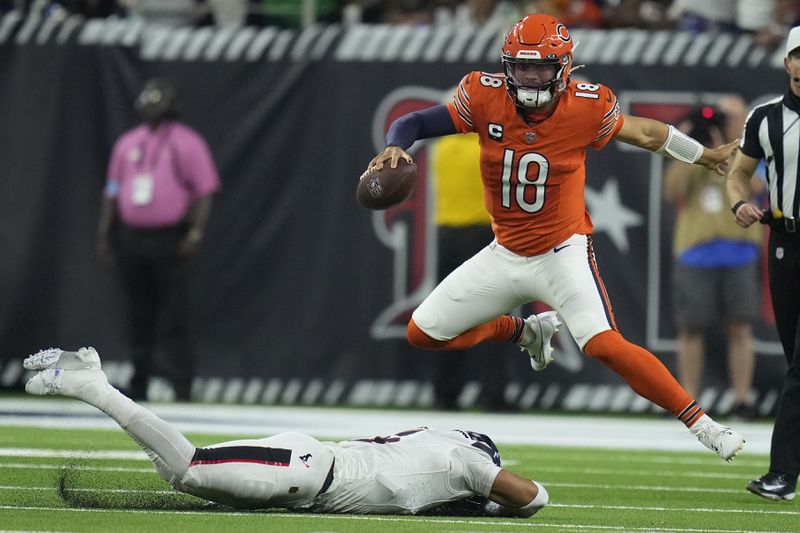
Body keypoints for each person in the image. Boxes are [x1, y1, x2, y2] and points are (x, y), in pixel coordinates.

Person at [367, 13, 744, 461]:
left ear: (564, 67)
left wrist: (702, 156)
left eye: (540, 67)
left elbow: (645, 131)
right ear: (507, 64)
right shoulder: (484, 95)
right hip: (503, 251)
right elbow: (417, 123)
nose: (528, 76)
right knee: (423, 332)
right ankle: (524, 332)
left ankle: (703, 424)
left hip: (561, 251)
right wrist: (394, 143)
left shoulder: (587, 105)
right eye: (521, 66)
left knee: (604, 343)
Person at [22, 347, 549, 517]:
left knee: (183, 472)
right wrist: (492, 497)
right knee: (188, 468)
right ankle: (93, 383)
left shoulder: (436, 442)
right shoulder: (465, 462)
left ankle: (94, 383)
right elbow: (532, 498)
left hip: (308, 466)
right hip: (307, 471)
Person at [95, 78, 221, 401]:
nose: (153, 108)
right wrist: (105, 233)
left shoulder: (186, 142)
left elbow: (205, 191)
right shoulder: (128, 143)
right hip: (132, 236)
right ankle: (139, 384)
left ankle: (182, 385)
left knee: (174, 312)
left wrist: (195, 232)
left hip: (169, 236)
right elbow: (112, 190)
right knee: (138, 312)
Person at [726, 26, 800, 501]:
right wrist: (738, 204)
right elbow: (739, 173)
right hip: (785, 243)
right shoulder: (766, 118)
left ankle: (783, 473)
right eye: (799, 55)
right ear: (788, 62)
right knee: (796, 360)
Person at [664, 101, 762, 420]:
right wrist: (696, 144)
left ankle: (742, 399)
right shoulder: (696, 151)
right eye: (725, 117)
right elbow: (673, 190)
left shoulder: (752, 148)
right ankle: (687, 400)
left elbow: (758, 186)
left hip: (740, 250)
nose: (727, 121)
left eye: (734, 117)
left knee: (741, 327)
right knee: (691, 329)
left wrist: (729, 147)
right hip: (696, 252)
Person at [430, 132, 511, 411]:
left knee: (448, 316)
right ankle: (493, 393)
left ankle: (445, 393)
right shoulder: (488, 149)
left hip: (447, 236)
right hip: (483, 236)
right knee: (493, 316)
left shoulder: (441, 149)